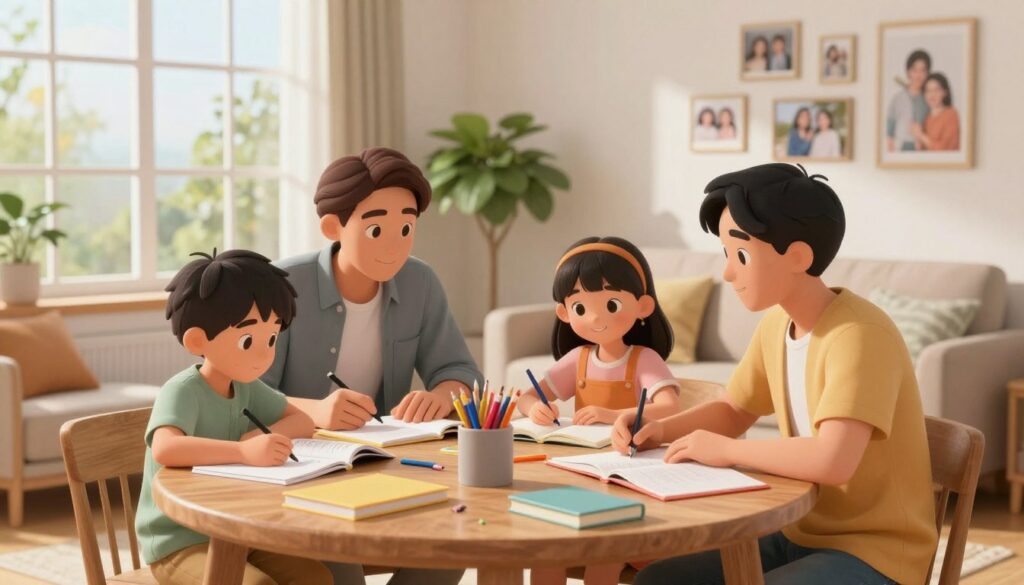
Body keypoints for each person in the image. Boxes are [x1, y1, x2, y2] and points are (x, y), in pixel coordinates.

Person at [613, 164, 937, 585]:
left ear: (798, 256)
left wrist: (728, 451)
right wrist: (658, 429)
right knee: (658, 580)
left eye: (741, 256)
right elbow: (733, 410)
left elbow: (834, 460)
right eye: (727, 255)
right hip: (796, 530)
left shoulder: (859, 335)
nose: (729, 273)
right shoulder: (776, 325)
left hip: (875, 551)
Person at [262, 147, 479, 585]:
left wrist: (439, 395)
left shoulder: (421, 283)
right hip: (300, 466)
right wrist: (315, 412)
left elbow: (461, 372)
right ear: (334, 227)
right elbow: (242, 393)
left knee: (455, 537)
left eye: (406, 227)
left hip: (386, 460)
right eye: (376, 228)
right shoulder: (284, 286)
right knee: (338, 557)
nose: (394, 245)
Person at [137, 250, 332, 585]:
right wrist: (242, 453)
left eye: (271, 338)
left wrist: (257, 438)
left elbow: (301, 421)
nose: (264, 353)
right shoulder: (182, 391)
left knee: (316, 577)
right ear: (198, 340)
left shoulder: (246, 387)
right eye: (248, 339)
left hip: (237, 529)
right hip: (178, 541)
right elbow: (165, 449)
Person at [521, 236, 682, 585]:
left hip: (627, 478)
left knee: (604, 559)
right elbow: (526, 397)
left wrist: (613, 416)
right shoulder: (577, 360)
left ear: (642, 306)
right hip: (579, 475)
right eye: (580, 308)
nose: (595, 318)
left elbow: (670, 407)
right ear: (564, 312)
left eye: (610, 305)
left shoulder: (643, 359)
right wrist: (537, 408)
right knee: (546, 555)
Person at [886, 49, 931, 151]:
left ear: (927, 73)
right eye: (914, 70)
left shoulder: (930, 99)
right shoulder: (897, 98)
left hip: (923, 147)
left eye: (923, 70)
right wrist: (890, 145)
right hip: (900, 146)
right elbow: (890, 123)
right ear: (908, 72)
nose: (918, 75)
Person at [913, 72, 960, 151]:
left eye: (937, 90)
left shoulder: (951, 114)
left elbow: (945, 149)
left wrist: (921, 136)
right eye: (928, 91)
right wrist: (917, 139)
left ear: (945, 92)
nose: (932, 94)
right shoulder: (927, 118)